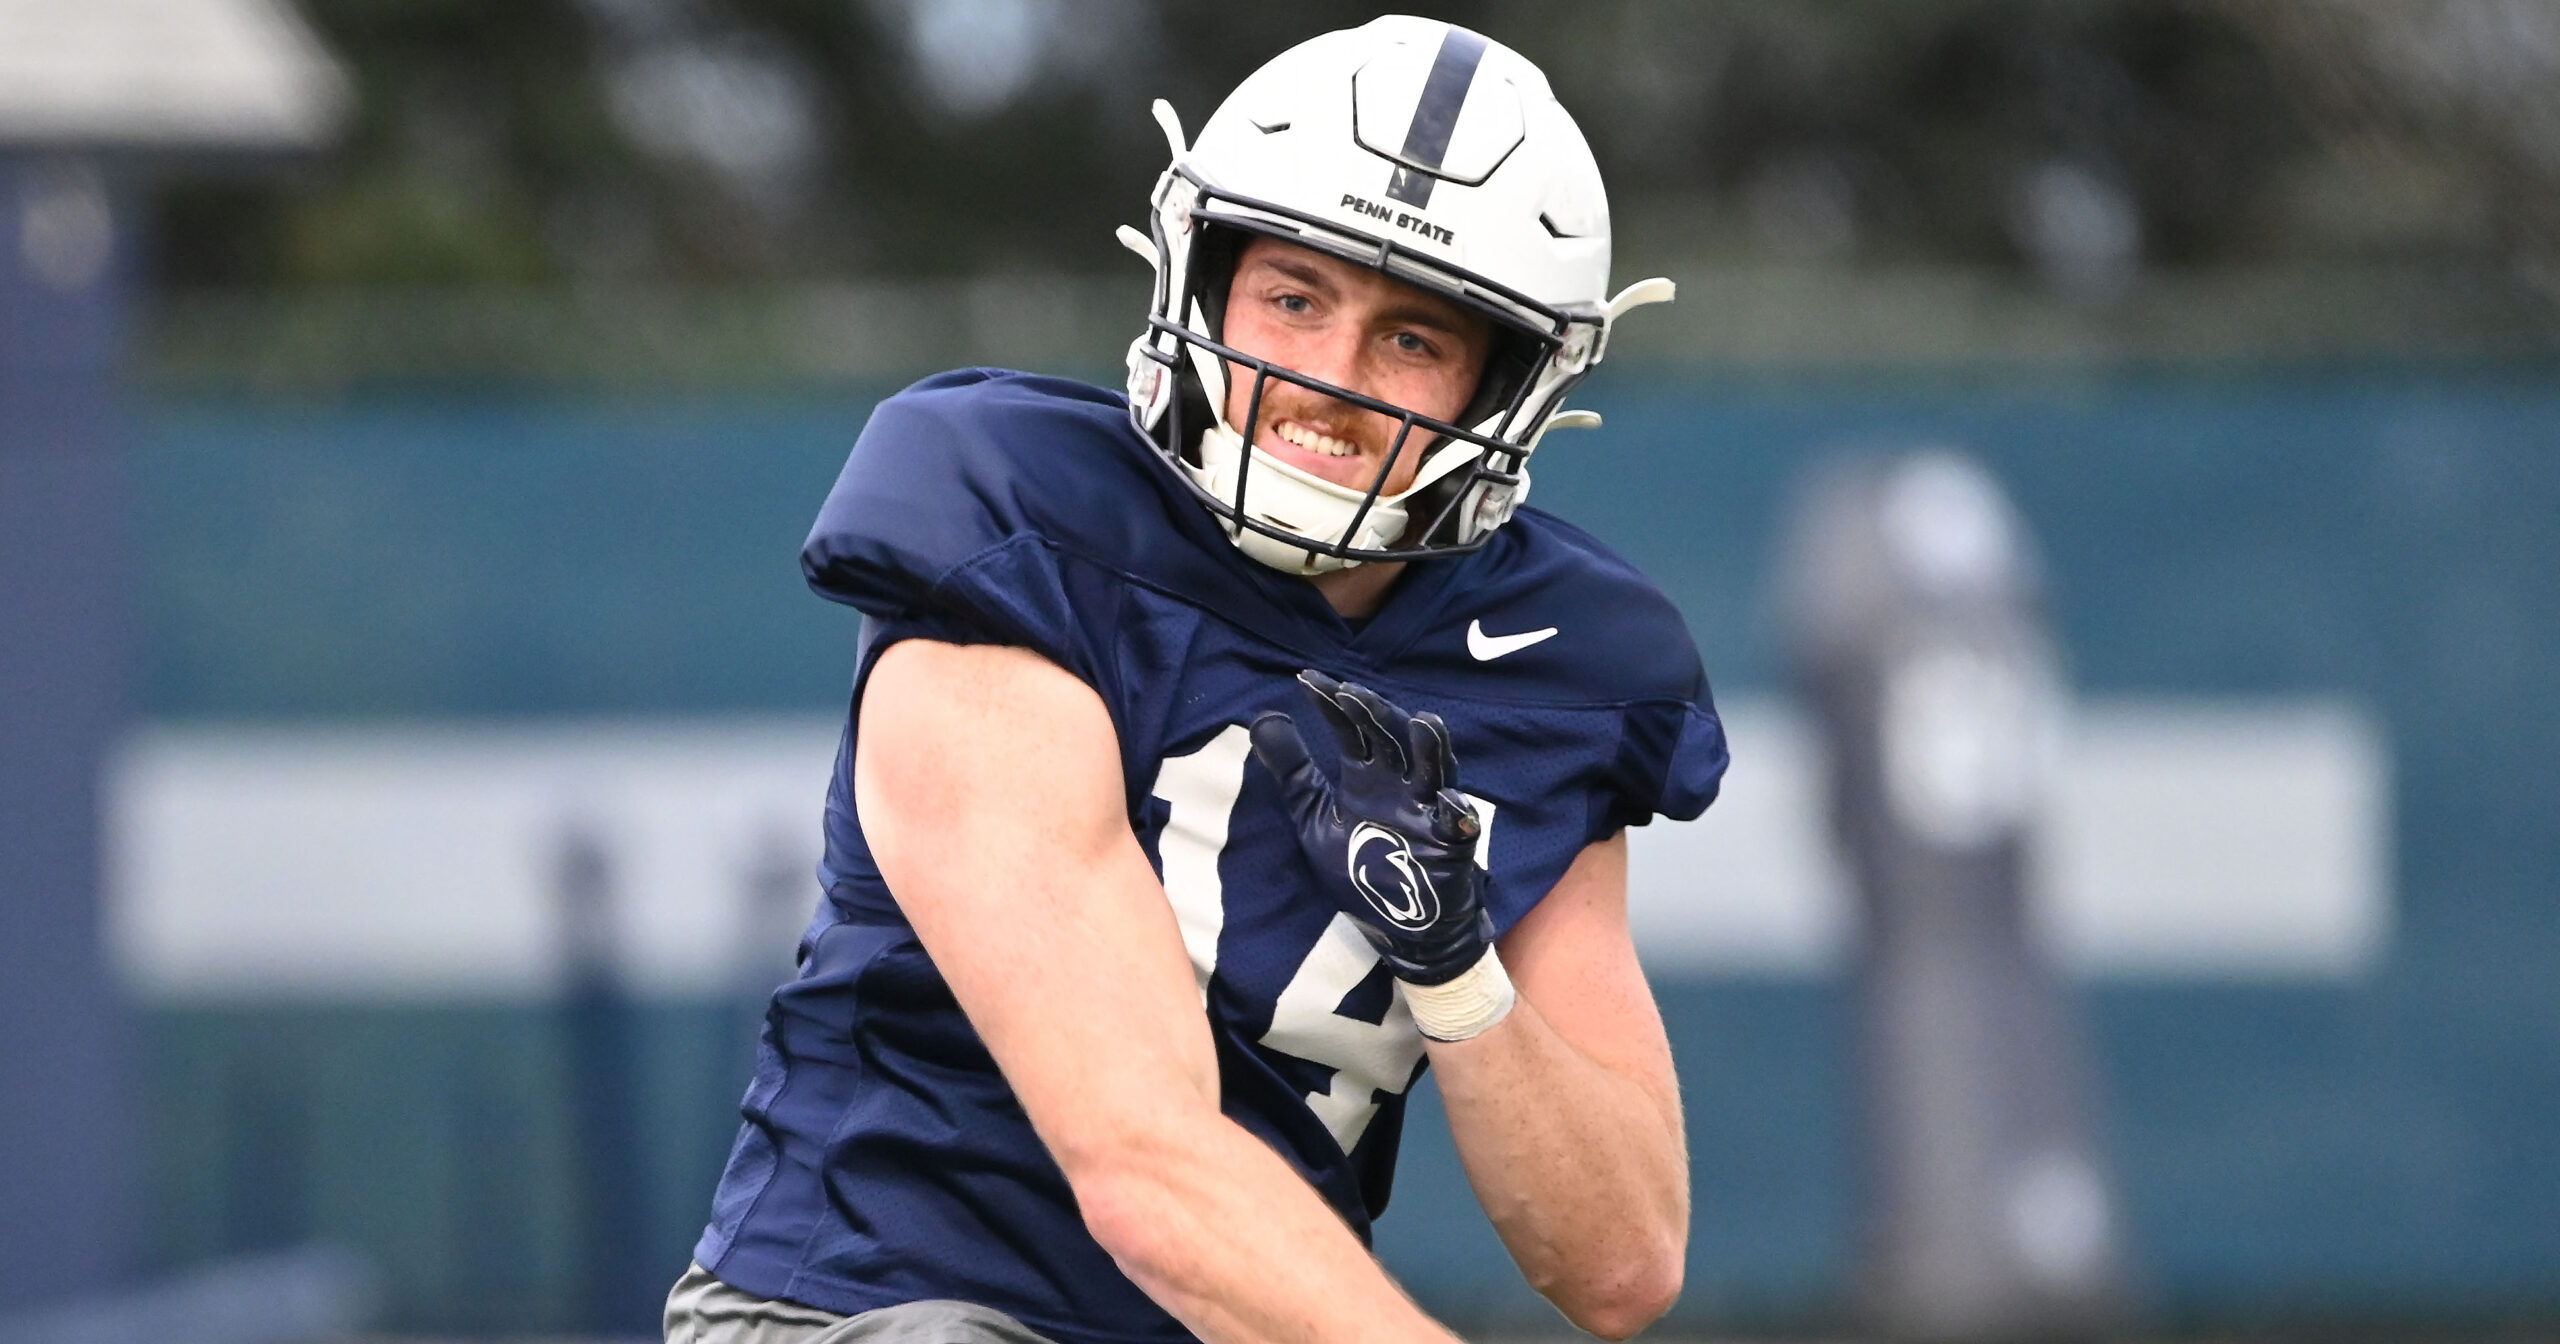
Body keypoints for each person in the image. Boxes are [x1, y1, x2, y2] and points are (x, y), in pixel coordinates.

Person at [666, 16, 1727, 1344]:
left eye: (1413, 340)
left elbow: (1623, 1263)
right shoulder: (1013, 524)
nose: (1329, 385)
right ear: (1200, 279)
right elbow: (1148, 1165)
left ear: (1507, 386)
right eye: (1294, 298)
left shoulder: (1564, 665)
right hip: (876, 1308)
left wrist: (1458, 976)